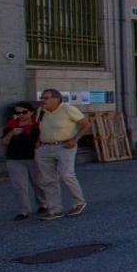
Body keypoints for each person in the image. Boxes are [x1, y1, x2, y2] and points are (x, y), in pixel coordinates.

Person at [35, 88, 89, 220]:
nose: (43, 100)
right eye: (42, 98)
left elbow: (86, 124)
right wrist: (38, 143)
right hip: (45, 147)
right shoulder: (41, 111)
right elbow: (41, 127)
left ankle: (79, 202)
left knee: (67, 175)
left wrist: (75, 139)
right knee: (48, 180)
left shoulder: (68, 109)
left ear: (56, 99)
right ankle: (55, 209)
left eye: (46, 98)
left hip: (64, 146)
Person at [2, 101, 43, 220]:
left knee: (38, 183)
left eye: (24, 112)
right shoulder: (11, 125)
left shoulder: (38, 125)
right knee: (19, 186)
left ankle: (43, 204)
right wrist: (11, 133)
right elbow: (4, 142)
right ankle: (24, 210)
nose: (21, 115)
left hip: (33, 158)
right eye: (18, 112)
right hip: (14, 159)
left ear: (31, 112)